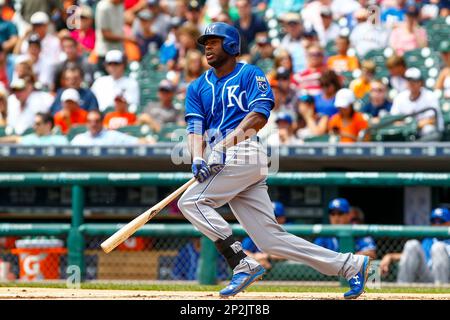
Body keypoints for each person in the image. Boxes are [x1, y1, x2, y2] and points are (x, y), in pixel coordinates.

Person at [178, 22, 371, 299]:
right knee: (270, 240)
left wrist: (221, 145)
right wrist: (198, 156)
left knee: (191, 202)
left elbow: (259, 115)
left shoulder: (250, 74)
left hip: (245, 151)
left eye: (214, 41)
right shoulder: (197, 87)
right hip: (222, 158)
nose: (207, 46)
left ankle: (240, 263)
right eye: (205, 42)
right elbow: (194, 128)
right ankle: (350, 265)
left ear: (231, 45)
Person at [380, 207, 450, 284]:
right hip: (428, 275)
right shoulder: (429, 240)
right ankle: (402, 287)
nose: (437, 225)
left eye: (441, 221)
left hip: (447, 278)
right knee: (412, 244)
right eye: (434, 221)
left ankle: (442, 289)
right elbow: (411, 256)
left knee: (438, 247)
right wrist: (390, 256)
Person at [390, 67, 443, 140]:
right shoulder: (400, 97)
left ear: (420, 82)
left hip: (426, 134)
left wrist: (413, 125)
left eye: (415, 81)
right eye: (409, 80)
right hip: (407, 133)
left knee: (428, 129)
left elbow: (432, 120)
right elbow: (393, 119)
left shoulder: (430, 96)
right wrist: (407, 126)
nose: (411, 83)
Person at [242, 202, 287, 270]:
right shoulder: (256, 231)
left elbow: (292, 254)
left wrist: (266, 256)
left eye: (275, 217)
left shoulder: (286, 232)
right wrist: (254, 257)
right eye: (267, 217)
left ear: (282, 218)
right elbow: (243, 251)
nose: (270, 220)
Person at [71, 110, 141, 146]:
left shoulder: (112, 136)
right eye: (90, 121)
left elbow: (137, 142)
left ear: (102, 122)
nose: (93, 124)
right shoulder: (79, 139)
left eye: (96, 121)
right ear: (86, 123)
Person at [0, 112, 68, 145]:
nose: (34, 127)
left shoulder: (60, 140)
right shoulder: (31, 138)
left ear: (48, 125)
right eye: (34, 124)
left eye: (38, 124)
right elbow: (15, 139)